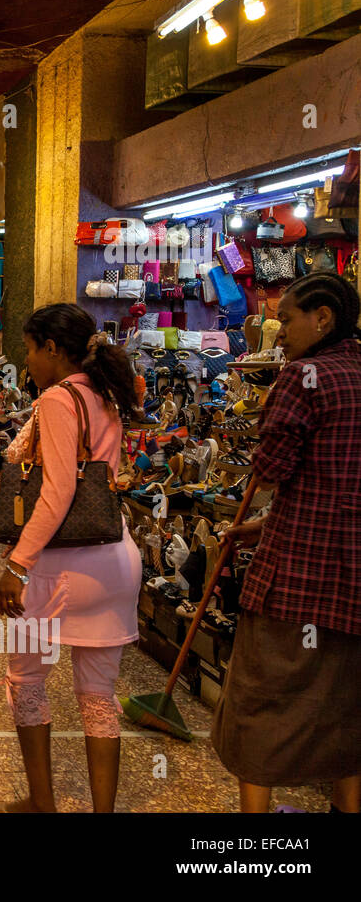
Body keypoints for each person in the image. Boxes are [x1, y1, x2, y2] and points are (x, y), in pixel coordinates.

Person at [212, 272, 361, 814]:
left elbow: (273, 469)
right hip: (353, 583)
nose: (278, 334)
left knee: (262, 699)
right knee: (346, 707)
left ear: (322, 318)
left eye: (287, 319)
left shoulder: (303, 376)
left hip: (297, 576)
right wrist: (272, 519)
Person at [0, 303, 142, 813]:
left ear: (52, 349)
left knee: (27, 680)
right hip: (114, 560)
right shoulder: (106, 392)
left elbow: (57, 492)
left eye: (31, 349)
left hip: (60, 566)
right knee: (99, 696)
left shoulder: (58, 399)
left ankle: (43, 803)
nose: (27, 360)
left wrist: (17, 564)